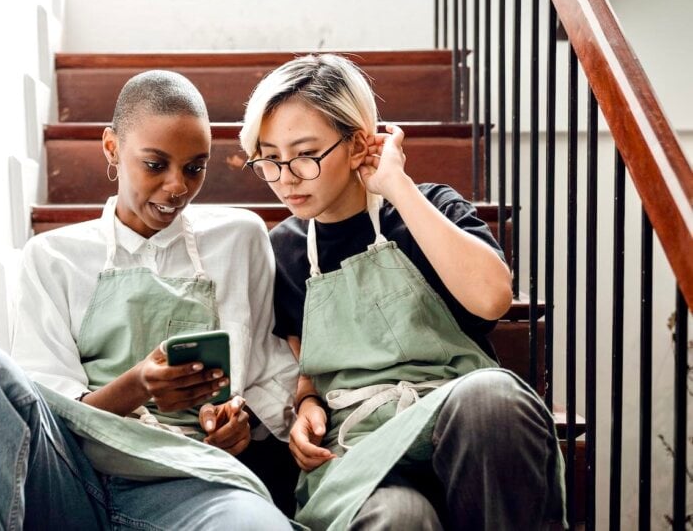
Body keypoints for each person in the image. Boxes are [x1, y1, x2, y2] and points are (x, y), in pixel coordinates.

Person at [0, 70, 300, 530]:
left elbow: (269, 380)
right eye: (155, 164)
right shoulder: (53, 257)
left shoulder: (240, 239)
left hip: (189, 479)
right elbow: (51, 413)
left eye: (194, 167)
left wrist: (239, 423)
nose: (177, 186)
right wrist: (138, 385)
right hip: (70, 478)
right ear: (111, 148)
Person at [239, 54, 566, 530]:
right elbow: (304, 366)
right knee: (399, 517)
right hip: (358, 450)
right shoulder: (284, 251)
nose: (286, 176)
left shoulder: (430, 207)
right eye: (268, 157)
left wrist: (396, 185)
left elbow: (492, 298)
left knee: (492, 397)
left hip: (458, 425)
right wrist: (306, 405)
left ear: (356, 145)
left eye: (306, 154)